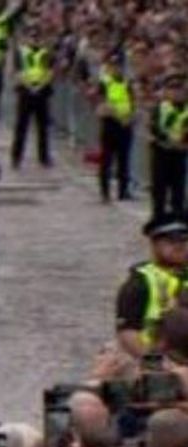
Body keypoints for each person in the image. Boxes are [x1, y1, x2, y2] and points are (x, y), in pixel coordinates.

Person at [115, 213, 188, 358]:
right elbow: (128, 332)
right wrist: (151, 361)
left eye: (184, 241)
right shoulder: (141, 282)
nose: (179, 246)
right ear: (154, 244)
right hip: (155, 358)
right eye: (171, 242)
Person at [11, 26, 55, 169]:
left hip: (42, 93)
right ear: (26, 38)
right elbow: (18, 72)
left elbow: (50, 72)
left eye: (37, 37)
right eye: (32, 37)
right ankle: (16, 157)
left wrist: (40, 86)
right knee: (21, 127)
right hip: (25, 93)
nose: (35, 40)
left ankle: (44, 157)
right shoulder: (21, 52)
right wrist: (29, 86)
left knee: (43, 127)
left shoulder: (46, 53)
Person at [96, 52, 136, 203]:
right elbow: (102, 104)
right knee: (106, 159)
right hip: (110, 124)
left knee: (124, 160)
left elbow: (133, 102)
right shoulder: (105, 83)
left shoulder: (127, 82)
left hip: (125, 125)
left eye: (118, 65)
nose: (115, 68)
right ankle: (105, 192)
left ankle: (123, 191)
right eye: (112, 65)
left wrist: (130, 118)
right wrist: (117, 116)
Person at [150, 74, 188, 219]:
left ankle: (178, 220)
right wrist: (170, 141)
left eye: (180, 89)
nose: (176, 92)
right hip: (162, 153)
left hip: (180, 154)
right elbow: (155, 129)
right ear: (166, 92)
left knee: (178, 190)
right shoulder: (160, 108)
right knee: (159, 190)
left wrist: (183, 142)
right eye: (172, 89)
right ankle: (158, 219)